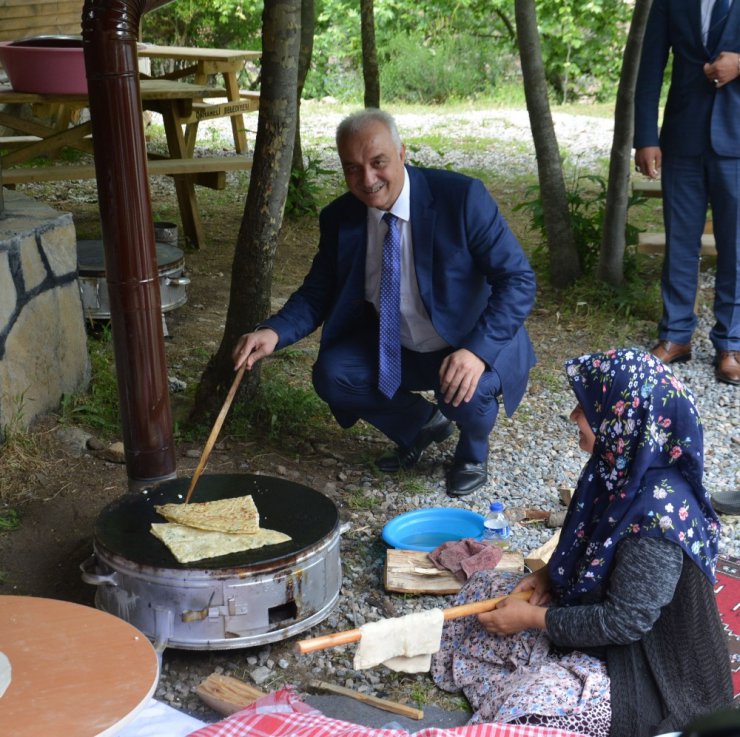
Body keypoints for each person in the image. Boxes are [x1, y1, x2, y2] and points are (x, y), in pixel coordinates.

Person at [233, 109, 537, 496]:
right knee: (333, 373)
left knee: (465, 389)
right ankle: (422, 425)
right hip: (399, 345)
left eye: (378, 163)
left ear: (402, 153)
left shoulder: (461, 198)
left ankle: (473, 451)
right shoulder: (340, 217)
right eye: (352, 169)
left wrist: (476, 352)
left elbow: (518, 280)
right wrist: (274, 331)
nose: (367, 179)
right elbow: (318, 291)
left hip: (467, 340)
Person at [431, 348, 733, 737]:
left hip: (653, 669)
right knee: (483, 594)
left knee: (531, 706)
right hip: (606, 620)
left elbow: (625, 622)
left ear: (623, 420)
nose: (574, 415)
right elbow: (587, 541)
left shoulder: (656, 520)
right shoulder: (616, 465)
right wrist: (545, 579)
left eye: (587, 409)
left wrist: (532, 619)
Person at [633, 0, 740, 385]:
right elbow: (649, 69)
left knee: (737, 247)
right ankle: (675, 335)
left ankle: (731, 342)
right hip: (682, 139)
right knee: (680, 244)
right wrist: (645, 137)